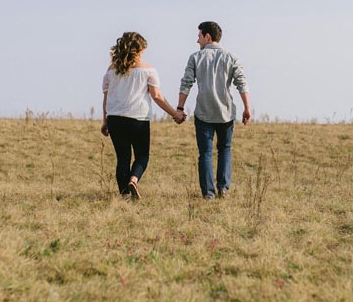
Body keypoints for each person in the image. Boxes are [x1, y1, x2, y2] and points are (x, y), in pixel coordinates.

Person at [101, 31, 185, 200]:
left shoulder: (110, 71)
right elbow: (157, 96)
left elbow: (106, 98)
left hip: (115, 119)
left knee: (122, 158)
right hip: (138, 119)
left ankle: (124, 195)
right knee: (142, 156)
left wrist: (105, 121)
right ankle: (133, 179)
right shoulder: (148, 70)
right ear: (139, 50)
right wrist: (174, 113)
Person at [177, 21, 250, 199]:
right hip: (225, 112)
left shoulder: (196, 57)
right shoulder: (231, 57)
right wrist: (247, 108)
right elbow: (241, 83)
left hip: (204, 112)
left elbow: (186, 83)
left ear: (207, 36)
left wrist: (179, 107)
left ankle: (208, 193)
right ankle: (223, 188)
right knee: (225, 149)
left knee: (205, 154)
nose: (197, 40)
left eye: (199, 36)